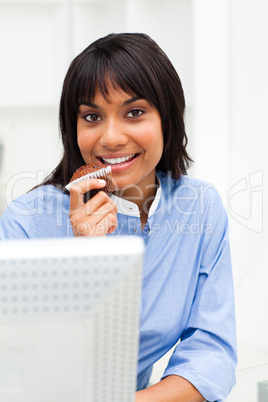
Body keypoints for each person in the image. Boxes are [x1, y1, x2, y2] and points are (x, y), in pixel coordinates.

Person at [0, 33, 237, 401]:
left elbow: (211, 353)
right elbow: (24, 371)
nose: (111, 138)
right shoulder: (25, 223)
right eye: (92, 117)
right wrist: (86, 264)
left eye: (135, 112)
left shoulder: (200, 207)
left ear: (167, 118)